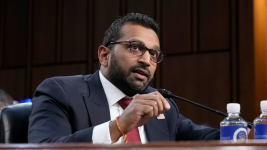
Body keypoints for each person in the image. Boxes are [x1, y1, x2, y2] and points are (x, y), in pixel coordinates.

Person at [28, 13, 220, 143]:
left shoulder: (161, 105)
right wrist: (119, 125)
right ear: (104, 55)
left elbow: (203, 137)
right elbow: (45, 146)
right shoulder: (61, 92)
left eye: (154, 53)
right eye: (135, 47)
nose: (146, 60)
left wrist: (246, 132)